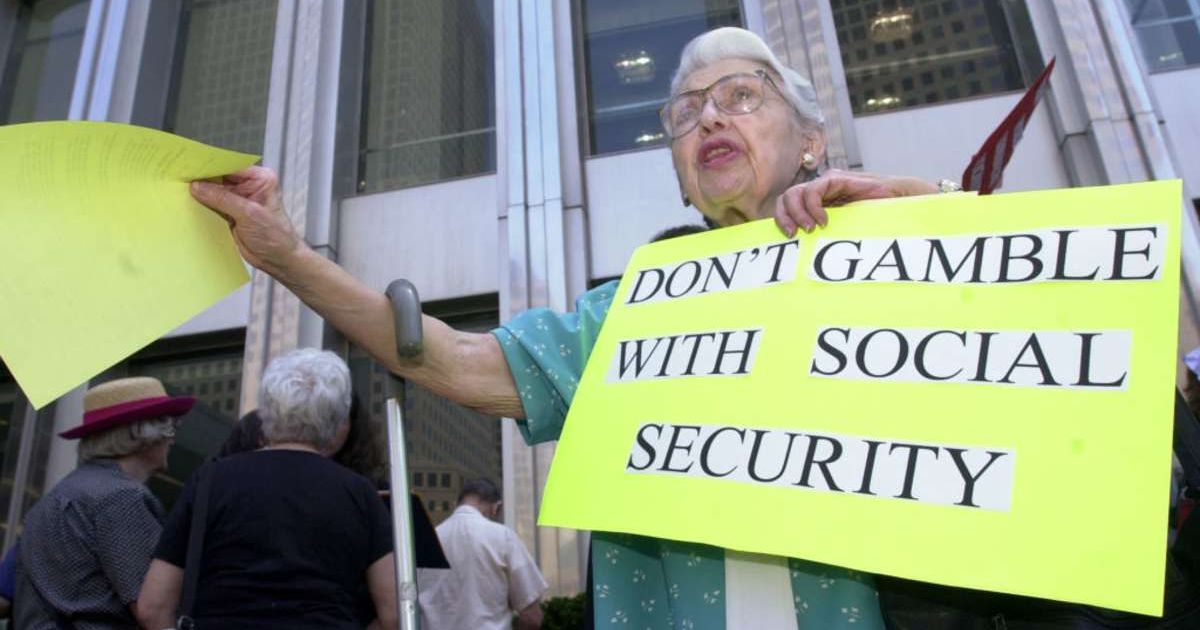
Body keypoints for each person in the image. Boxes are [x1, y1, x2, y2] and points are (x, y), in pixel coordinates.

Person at [190, 26, 942, 630]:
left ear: (811, 140)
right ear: (682, 176)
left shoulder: (900, 252)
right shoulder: (635, 309)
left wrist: (922, 209)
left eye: (742, 95)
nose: (710, 117)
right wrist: (286, 255)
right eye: (686, 113)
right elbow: (455, 359)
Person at [135, 349, 398, 630]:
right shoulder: (360, 492)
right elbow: (394, 613)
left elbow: (153, 608)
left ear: (265, 410)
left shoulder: (209, 481)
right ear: (336, 418)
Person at [13, 377, 191, 629]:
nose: (171, 440)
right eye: (168, 428)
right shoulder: (121, 497)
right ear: (140, 433)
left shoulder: (54, 498)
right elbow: (153, 609)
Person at [419, 478, 547, 630]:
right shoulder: (503, 537)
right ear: (495, 507)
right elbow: (532, 618)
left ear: (457, 504)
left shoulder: (428, 541)